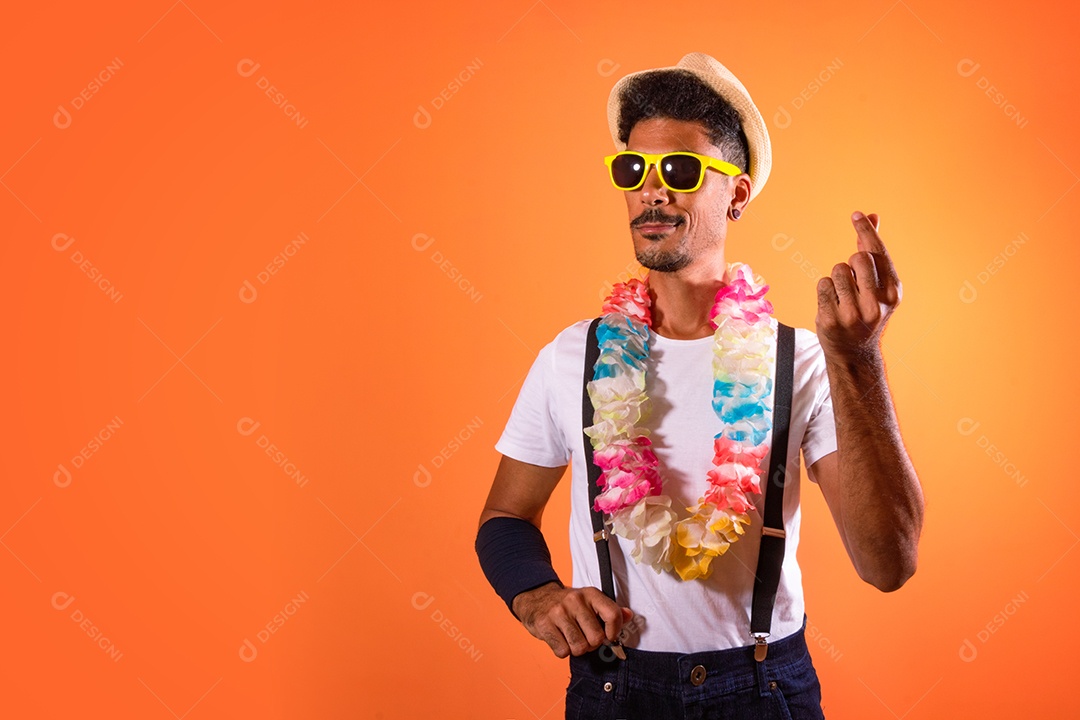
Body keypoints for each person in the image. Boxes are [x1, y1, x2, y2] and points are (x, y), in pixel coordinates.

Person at [475, 52, 925, 719]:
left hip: (765, 686)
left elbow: (888, 564)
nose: (652, 191)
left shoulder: (801, 360)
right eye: (634, 170)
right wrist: (535, 594)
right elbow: (503, 519)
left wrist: (857, 361)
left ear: (737, 193)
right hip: (611, 687)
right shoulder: (575, 355)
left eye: (680, 170)